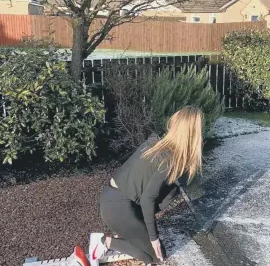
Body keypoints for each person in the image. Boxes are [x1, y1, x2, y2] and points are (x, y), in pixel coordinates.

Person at [84, 105, 204, 266]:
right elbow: (148, 198)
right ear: (193, 134)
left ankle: (129, 231)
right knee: (154, 257)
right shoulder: (167, 158)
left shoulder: (156, 143)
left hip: (116, 199)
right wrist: (153, 238)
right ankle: (102, 241)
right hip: (118, 206)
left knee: (173, 189)